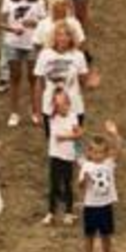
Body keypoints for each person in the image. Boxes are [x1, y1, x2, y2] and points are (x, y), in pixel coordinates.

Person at [0, 0, 45, 123]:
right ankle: (14, 113)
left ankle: (35, 111)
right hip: (13, 43)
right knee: (14, 78)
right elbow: (1, 23)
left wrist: (34, 24)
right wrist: (12, 29)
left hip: (32, 44)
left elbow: (45, 23)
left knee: (33, 79)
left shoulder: (38, 1)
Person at [32, 22, 97, 126]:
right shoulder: (44, 55)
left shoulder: (78, 56)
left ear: (71, 38)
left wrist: (91, 84)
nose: (63, 38)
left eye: (67, 35)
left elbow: (83, 83)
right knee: (53, 141)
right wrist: (37, 111)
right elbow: (39, 84)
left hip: (74, 109)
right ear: (54, 37)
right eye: (59, 34)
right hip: (50, 108)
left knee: (74, 141)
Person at [35, 86, 83, 226]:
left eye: (65, 104)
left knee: (68, 184)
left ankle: (68, 212)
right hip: (56, 156)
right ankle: (51, 213)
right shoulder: (53, 118)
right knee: (54, 185)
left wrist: (78, 153)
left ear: (69, 104)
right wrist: (74, 135)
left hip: (68, 157)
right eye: (58, 104)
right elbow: (58, 136)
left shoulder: (73, 116)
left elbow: (78, 134)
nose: (63, 107)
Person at [79, 119, 123, 252]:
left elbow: (118, 149)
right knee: (89, 235)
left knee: (106, 235)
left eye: (101, 152)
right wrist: (85, 180)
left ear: (105, 153)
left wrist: (114, 134)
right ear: (90, 153)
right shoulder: (86, 166)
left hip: (105, 205)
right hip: (91, 206)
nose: (98, 155)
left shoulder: (108, 164)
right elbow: (81, 186)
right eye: (95, 152)